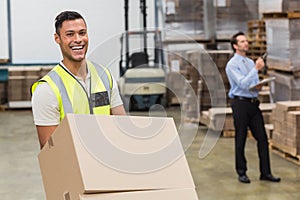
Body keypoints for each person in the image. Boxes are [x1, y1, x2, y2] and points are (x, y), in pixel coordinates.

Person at [31, 11, 126, 149]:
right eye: (70, 34)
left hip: (106, 162)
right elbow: (50, 150)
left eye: (82, 33)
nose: (78, 39)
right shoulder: (47, 89)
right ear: (57, 38)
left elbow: (121, 126)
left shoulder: (105, 77)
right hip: (74, 166)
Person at [225, 32, 280, 183]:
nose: (246, 43)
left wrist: (259, 86)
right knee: (241, 138)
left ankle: (266, 173)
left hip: (253, 104)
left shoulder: (249, 62)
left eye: (246, 41)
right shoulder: (232, 65)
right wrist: (256, 69)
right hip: (240, 104)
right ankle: (242, 172)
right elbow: (242, 84)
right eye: (242, 41)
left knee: (262, 138)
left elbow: (252, 85)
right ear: (235, 46)